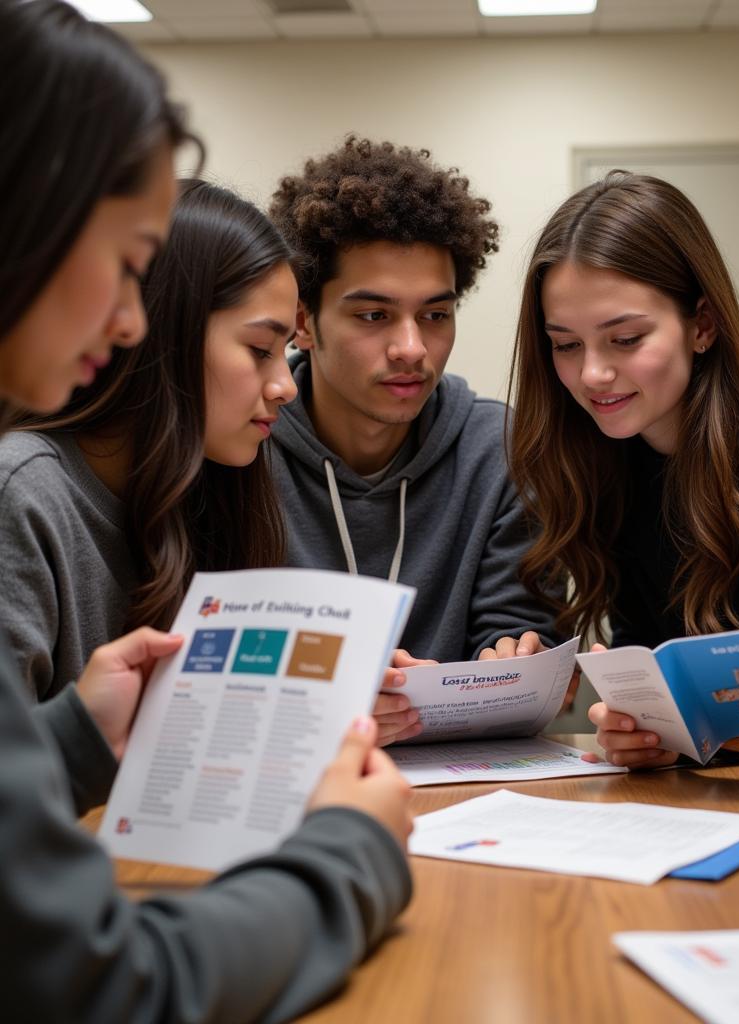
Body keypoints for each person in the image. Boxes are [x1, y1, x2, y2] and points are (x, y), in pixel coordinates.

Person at [0, 3, 412, 1021]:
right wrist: (351, 852)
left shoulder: (219, 484)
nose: (128, 319)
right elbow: (105, 984)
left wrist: (73, 738)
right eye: (125, 263)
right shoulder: (23, 493)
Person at [268, 137, 561, 744]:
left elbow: (520, 629)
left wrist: (514, 662)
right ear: (303, 323)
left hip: (470, 787)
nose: (411, 347)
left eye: (435, 314)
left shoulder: (501, 450)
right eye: (373, 316)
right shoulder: (244, 447)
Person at [506, 171, 739, 769]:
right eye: (565, 344)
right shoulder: (600, 455)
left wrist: (706, 737)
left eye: (626, 338)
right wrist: (638, 727)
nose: (592, 374)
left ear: (702, 323)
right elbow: (652, 665)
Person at [0, 179, 300, 700]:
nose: (286, 386)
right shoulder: (22, 495)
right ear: (166, 334)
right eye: (259, 349)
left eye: (286, 352)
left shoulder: (214, 484)